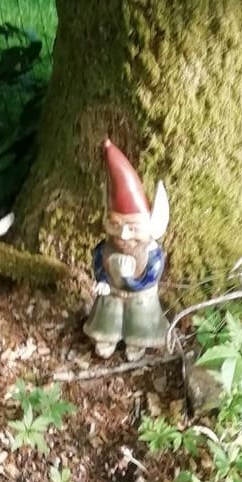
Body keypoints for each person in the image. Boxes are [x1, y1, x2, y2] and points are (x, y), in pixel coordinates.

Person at [84, 138, 170, 361]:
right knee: (108, 309)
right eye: (115, 226)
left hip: (140, 296)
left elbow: (150, 277)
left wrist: (129, 280)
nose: (123, 236)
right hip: (112, 293)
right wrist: (102, 279)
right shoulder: (106, 248)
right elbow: (98, 263)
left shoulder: (152, 254)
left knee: (141, 313)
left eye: (132, 228)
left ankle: (137, 341)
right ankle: (106, 336)